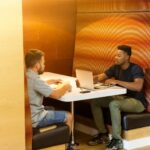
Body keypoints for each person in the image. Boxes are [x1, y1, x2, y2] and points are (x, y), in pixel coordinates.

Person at [88, 45, 147, 150]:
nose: (116, 57)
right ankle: (103, 134)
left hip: (137, 102)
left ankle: (117, 140)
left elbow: (138, 87)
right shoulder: (115, 67)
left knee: (113, 104)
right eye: (116, 55)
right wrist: (87, 78)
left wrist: (116, 81)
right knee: (96, 101)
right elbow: (101, 77)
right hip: (122, 98)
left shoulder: (135, 68)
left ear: (127, 57)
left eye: (119, 55)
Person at [25, 49, 73, 146]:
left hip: (29, 115)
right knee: (69, 116)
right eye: (43, 63)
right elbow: (55, 94)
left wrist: (49, 82)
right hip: (36, 118)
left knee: (52, 108)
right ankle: (68, 147)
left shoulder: (26, 75)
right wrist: (66, 86)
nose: (44, 65)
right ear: (37, 65)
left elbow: (35, 85)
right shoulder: (35, 79)